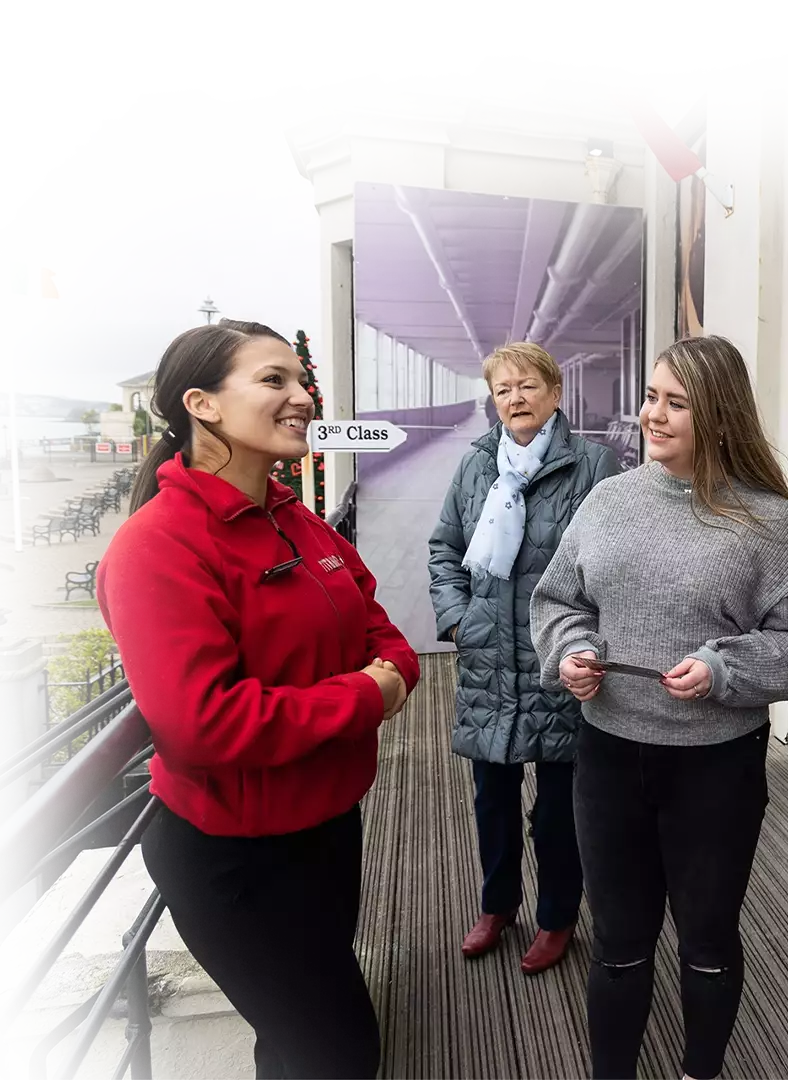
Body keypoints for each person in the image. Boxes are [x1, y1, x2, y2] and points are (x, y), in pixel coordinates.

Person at [97, 319, 419, 1080]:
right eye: (274, 381)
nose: (302, 396)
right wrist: (367, 695)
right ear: (201, 404)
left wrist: (384, 674)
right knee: (339, 1054)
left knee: (292, 1045)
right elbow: (205, 723)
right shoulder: (157, 545)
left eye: (300, 382)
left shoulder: (297, 521)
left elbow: (388, 637)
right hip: (236, 858)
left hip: (327, 825)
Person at [530, 335, 788, 1080]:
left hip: (714, 770)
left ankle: (699, 1071)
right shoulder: (609, 500)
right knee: (619, 942)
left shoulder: (767, 521)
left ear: (718, 415)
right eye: (650, 397)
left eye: (674, 402)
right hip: (606, 756)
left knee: (705, 941)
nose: (650, 416)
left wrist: (723, 667)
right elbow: (559, 597)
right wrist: (568, 650)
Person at [428, 341, 620, 973]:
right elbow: (445, 549)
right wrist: (459, 620)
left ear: (555, 393)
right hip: (489, 657)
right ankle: (496, 904)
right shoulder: (477, 464)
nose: (514, 398)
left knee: (562, 805)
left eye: (527, 386)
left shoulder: (595, 466)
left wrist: (590, 638)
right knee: (492, 797)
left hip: (560, 658)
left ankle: (558, 915)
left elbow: (616, 566)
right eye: (503, 389)